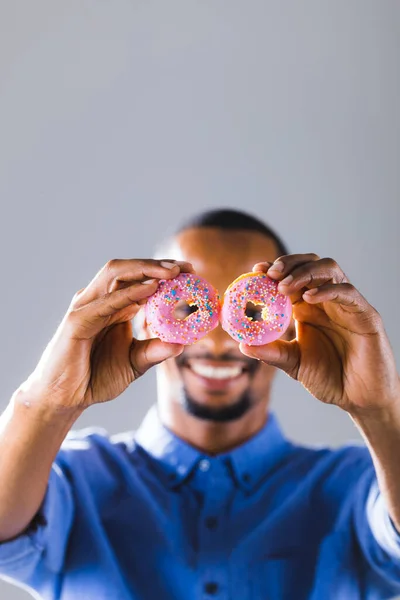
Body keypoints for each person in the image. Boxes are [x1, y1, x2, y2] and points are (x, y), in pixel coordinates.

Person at [0, 208, 399, 600]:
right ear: (142, 321)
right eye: (189, 307)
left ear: (293, 326)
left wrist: (382, 411)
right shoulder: (74, 479)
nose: (218, 342)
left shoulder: (359, 487)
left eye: (247, 310)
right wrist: (49, 401)